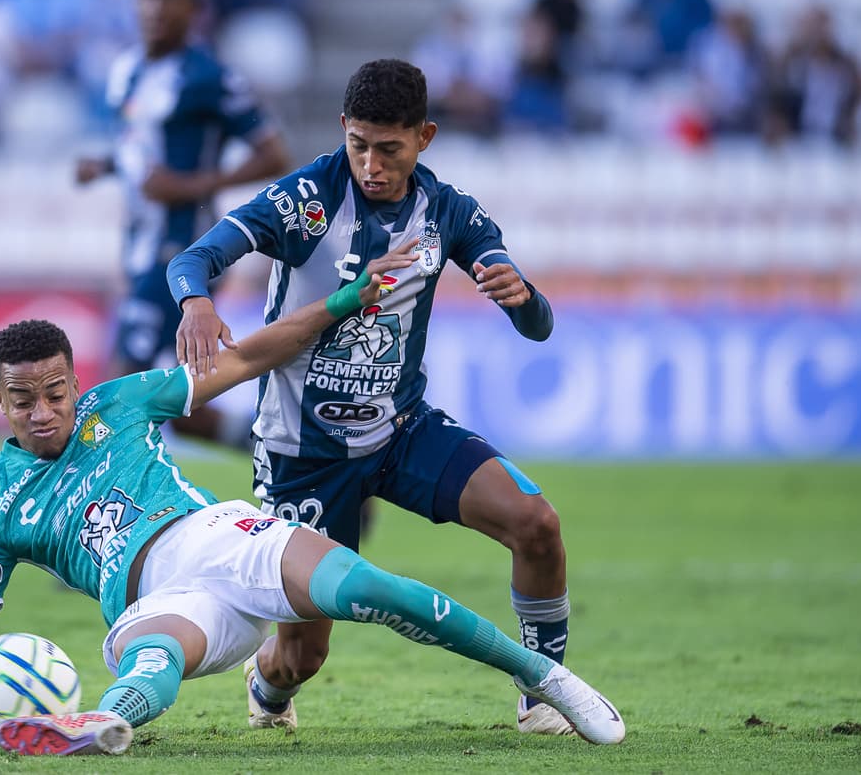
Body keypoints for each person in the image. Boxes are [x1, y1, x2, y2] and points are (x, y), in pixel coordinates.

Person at [0, 246, 625, 757]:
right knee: (152, 654)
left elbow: (249, 356)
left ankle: (546, 678)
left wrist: (346, 300)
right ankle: (104, 722)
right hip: (153, 599)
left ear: (74, 382)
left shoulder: (118, 403)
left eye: (56, 393)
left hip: (218, 535)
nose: (43, 412)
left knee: (366, 590)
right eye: (22, 401)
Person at [167, 58, 578, 736]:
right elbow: (192, 259)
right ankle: (266, 685)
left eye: (389, 149)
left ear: (426, 137)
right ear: (342, 131)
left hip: (401, 428)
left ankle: (544, 692)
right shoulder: (304, 201)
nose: (372, 164)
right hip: (304, 452)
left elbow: (540, 326)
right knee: (304, 653)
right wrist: (196, 304)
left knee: (537, 524)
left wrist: (523, 298)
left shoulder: (446, 212)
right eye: (359, 145)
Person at [75, 0, 290, 446]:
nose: (156, 7)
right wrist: (104, 165)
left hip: (182, 250)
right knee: (175, 407)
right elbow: (140, 154)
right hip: (138, 245)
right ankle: (286, 451)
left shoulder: (209, 78)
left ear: (195, 8)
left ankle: (111, 511)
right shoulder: (126, 69)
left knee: (116, 388)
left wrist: (190, 186)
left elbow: (274, 154)